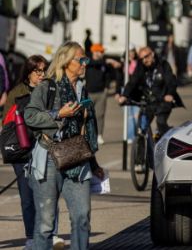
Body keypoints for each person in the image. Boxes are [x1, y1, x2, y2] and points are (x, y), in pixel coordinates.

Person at [24, 42, 104, 250]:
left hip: (77, 158)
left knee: (82, 217)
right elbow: (30, 116)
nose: (85, 63)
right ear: (66, 61)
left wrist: (94, 164)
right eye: (81, 60)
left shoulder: (82, 90)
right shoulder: (47, 86)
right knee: (45, 223)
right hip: (50, 156)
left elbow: (84, 131)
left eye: (86, 59)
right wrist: (58, 114)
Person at [2, 55, 64, 250]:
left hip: (45, 147)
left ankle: (50, 234)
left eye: (44, 71)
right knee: (27, 196)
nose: (42, 75)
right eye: (38, 71)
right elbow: (7, 124)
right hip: (22, 150)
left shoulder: (49, 90)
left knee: (49, 193)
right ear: (29, 72)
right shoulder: (16, 93)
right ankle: (31, 235)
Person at [119, 47, 181, 138]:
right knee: (141, 126)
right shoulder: (141, 66)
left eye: (146, 57)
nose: (144, 60)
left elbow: (171, 81)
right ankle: (143, 148)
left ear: (152, 54)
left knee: (161, 123)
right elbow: (133, 81)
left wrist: (170, 94)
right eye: (142, 58)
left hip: (162, 101)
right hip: (149, 101)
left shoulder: (163, 64)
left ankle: (170, 136)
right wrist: (124, 95)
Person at [84, 44, 121, 146]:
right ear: (95, 52)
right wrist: (108, 61)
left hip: (101, 93)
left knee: (100, 115)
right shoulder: (88, 60)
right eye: (101, 51)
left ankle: (99, 135)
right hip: (89, 93)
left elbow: (108, 75)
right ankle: (87, 135)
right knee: (87, 115)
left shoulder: (104, 63)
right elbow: (93, 63)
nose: (102, 53)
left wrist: (106, 87)